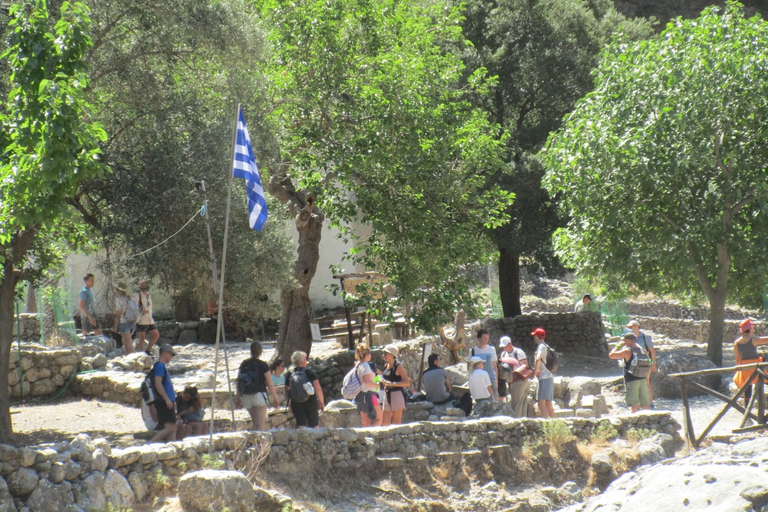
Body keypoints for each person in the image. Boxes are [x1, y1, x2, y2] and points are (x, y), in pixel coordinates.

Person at [236, 341, 279, 431]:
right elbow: (270, 384)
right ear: (261, 351)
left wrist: (239, 396)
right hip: (259, 395)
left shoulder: (244, 363)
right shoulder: (263, 365)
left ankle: (255, 443)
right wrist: (275, 398)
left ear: (251, 350)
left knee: (255, 423)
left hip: (246, 396)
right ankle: (261, 444)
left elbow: (239, 380)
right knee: (260, 425)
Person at [609, 332, 651, 412]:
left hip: (632, 380)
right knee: (645, 403)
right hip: (642, 378)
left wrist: (618, 346)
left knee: (634, 403)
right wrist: (647, 377)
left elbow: (611, 355)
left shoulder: (627, 351)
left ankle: (634, 418)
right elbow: (649, 361)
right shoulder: (643, 350)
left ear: (627, 340)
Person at [285, 351, 325, 428]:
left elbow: (286, 390)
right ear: (302, 360)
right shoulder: (309, 372)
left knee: (301, 425)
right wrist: (321, 402)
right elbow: (318, 388)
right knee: (314, 425)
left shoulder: (290, 373)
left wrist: (289, 403)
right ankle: (315, 439)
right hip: (310, 401)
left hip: (295, 402)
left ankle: (302, 439)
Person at [733, 318, 768, 406]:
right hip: (756, 367)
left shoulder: (736, 342)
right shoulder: (753, 340)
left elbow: (738, 358)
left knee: (748, 389)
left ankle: (747, 412)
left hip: (745, 367)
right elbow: (766, 339)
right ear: (749, 329)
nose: (753, 329)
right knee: (766, 381)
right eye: (752, 327)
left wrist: (739, 369)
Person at [626, 320, 657, 407]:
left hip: (645, 363)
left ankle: (650, 402)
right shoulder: (629, 338)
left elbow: (651, 351)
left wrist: (652, 363)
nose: (630, 329)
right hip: (633, 364)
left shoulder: (645, 337)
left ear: (636, 326)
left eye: (631, 327)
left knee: (646, 382)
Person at [150, 345, 178, 442]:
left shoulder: (162, 367)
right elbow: (158, 384)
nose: (171, 357)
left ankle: (172, 448)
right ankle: (150, 444)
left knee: (172, 429)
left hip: (167, 401)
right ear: (165, 353)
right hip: (164, 402)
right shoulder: (159, 366)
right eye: (171, 354)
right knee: (170, 428)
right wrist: (167, 399)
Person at [498, 336, 531, 417]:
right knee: (521, 404)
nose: (504, 348)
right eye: (503, 347)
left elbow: (525, 366)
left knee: (517, 405)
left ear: (510, 343)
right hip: (512, 382)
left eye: (505, 346)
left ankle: (518, 423)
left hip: (520, 380)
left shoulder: (518, 352)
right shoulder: (504, 354)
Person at [380, 345, 411, 426]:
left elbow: (407, 382)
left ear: (392, 355)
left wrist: (393, 384)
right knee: (385, 422)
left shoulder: (399, 367)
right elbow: (381, 377)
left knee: (396, 422)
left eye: (385, 353)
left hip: (397, 395)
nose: (383, 355)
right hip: (387, 394)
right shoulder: (386, 366)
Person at [353, 344, 382, 427]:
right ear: (368, 354)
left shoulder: (358, 365)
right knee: (379, 419)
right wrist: (379, 386)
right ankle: (370, 435)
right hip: (370, 395)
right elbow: (368, 381)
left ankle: (365, 438)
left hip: (360, 396)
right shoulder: (366, 365)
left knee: (365, 422)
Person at [532, 327, 555, 418]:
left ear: (537, 337)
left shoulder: (541, 347)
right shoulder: (546, 346)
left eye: (535, 336)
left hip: (544, 377)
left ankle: (546, 424)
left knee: (541, 404)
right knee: (548, 403)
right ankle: (554, 423)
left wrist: (535, 371)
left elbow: (538, 358)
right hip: (549, 376)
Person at [471, 329, 498, 400]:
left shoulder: (492, 349)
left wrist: (496, 380)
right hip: (479, 381)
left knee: (495, 402)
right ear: (479, 338)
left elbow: (494, 366)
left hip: (491, 379)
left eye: (487, 338)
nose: (486, 340)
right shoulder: (473, 351)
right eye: (484, 338)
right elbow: (470, 367)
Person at [136, 280, 160, 355]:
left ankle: (147, 351)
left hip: (149, 319)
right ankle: (142, 354)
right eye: (143, 284)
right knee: (142, 337)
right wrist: (141, 311)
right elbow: (134, 306)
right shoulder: (137, 295)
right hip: (142, 319)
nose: (144, 285)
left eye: (145, 284)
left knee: (156, 334)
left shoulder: (148, 295)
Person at [113, 281, 136, 354]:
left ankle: (135, 358)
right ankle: (129, 356)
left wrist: (116, 325)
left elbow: (118, 314)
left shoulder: (119, 300)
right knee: (124, 340)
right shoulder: (130, 298)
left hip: (124, 321)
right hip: (132, 321)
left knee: (128, 342)